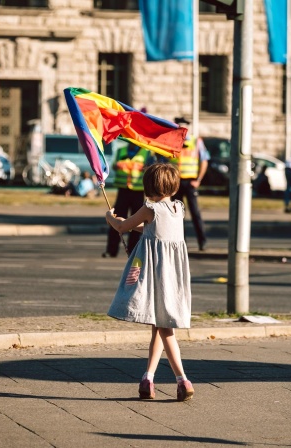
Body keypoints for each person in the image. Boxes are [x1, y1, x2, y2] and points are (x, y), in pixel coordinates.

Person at [105, 163, 194, 402]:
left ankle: (182, 380)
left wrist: (111, 219)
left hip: (156, 277)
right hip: (172, 278)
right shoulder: (178, 208)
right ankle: (148, 378)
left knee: (165, 329)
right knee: (158, 326)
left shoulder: (149, 208)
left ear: (148, 186)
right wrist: (135, 225)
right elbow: (157, 229)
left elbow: (123, 227)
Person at [102, 142, 154, 258]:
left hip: (138, 190)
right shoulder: (121, 150)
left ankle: (133, 251)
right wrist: (121, 166)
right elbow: (114, 166)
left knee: (136, 221)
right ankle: (111, 250)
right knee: (116, 219)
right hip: (123, 190)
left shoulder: (146, 153)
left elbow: (151, 168)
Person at [170, 117, 210, 251]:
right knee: (177, 214)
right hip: (176, 182)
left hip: (191, 182)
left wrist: (198, 180)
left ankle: (202, 242)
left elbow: (204, 161)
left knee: (195, 213)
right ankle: (181, 243)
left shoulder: (196, 142)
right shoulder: (173, 141)